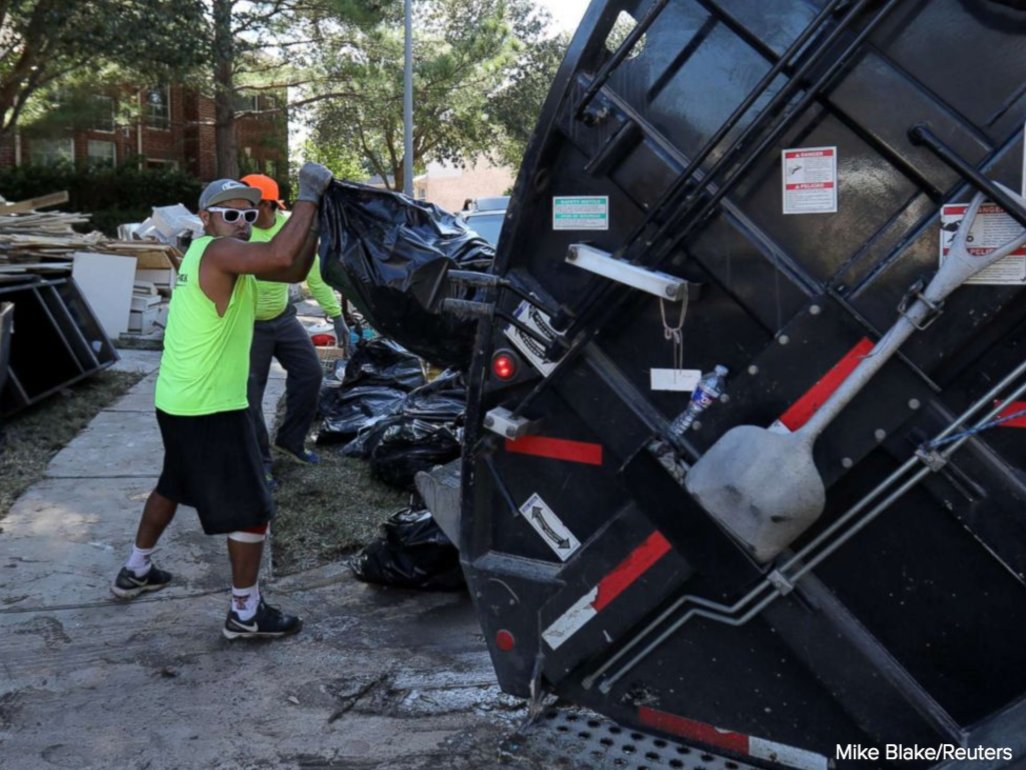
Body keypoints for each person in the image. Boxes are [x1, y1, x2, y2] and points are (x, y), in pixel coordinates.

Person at [110, 163, 333, 641]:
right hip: (211, 405)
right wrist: (310, 196)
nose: (240, 221)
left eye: (249, 214)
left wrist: (314, 224)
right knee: (253, 507)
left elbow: (290, 265)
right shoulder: (218, 252)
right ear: (204, 218)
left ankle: (136, 569)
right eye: (228, 213)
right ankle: (245, 613)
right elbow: (279, 252)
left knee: (172, 484)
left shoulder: (218, 254)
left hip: (180, 399)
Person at [240, 173, 349, 481]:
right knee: (250, 397)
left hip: (284, 318)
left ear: (268, 204)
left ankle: (290, 440)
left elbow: (312, 275)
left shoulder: (290, 227)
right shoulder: (241, 234)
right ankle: (260, 464)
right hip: (250, 327)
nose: (245, 211)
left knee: (311, 374)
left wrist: (336, 316)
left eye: (251, 204)